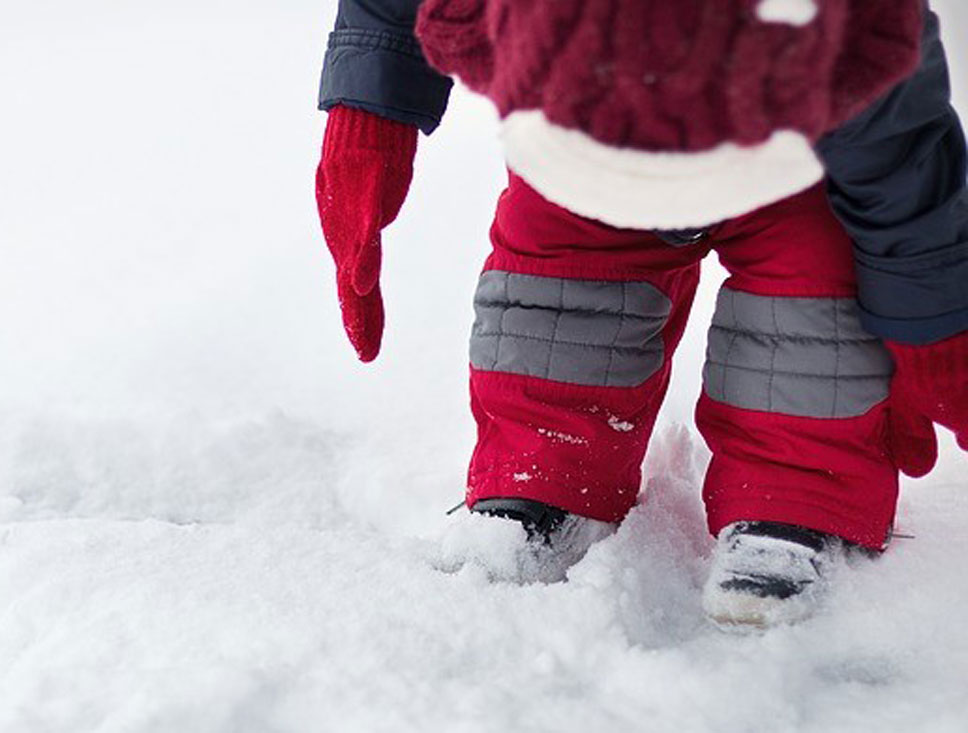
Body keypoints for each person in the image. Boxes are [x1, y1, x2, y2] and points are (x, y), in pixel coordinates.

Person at [314, 0, 968, 628]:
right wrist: (368, 110)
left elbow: (906, 168)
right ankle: (544, 471)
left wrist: (933, 330)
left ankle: (797, 494)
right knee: (558, 278)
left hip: (789, 159)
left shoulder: (854, 33)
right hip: (581, 137)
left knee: (818, 292)